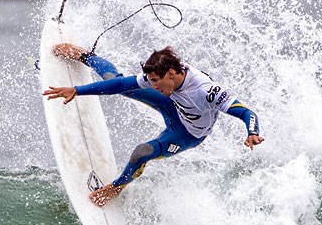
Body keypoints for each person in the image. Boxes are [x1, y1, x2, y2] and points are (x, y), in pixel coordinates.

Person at [43, 44, 263, 207]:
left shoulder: (205, 90)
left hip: (187, 133)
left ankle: (116, 188)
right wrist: (77, 90)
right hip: (173, 105)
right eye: (151, 81)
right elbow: (120, 84)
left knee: (142, 152)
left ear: (171, 73)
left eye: (157, 82)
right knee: (117, 80)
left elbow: (246, 111)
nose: (153, 85)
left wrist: (252, 132)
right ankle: (84, 55)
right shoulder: (160, 78)